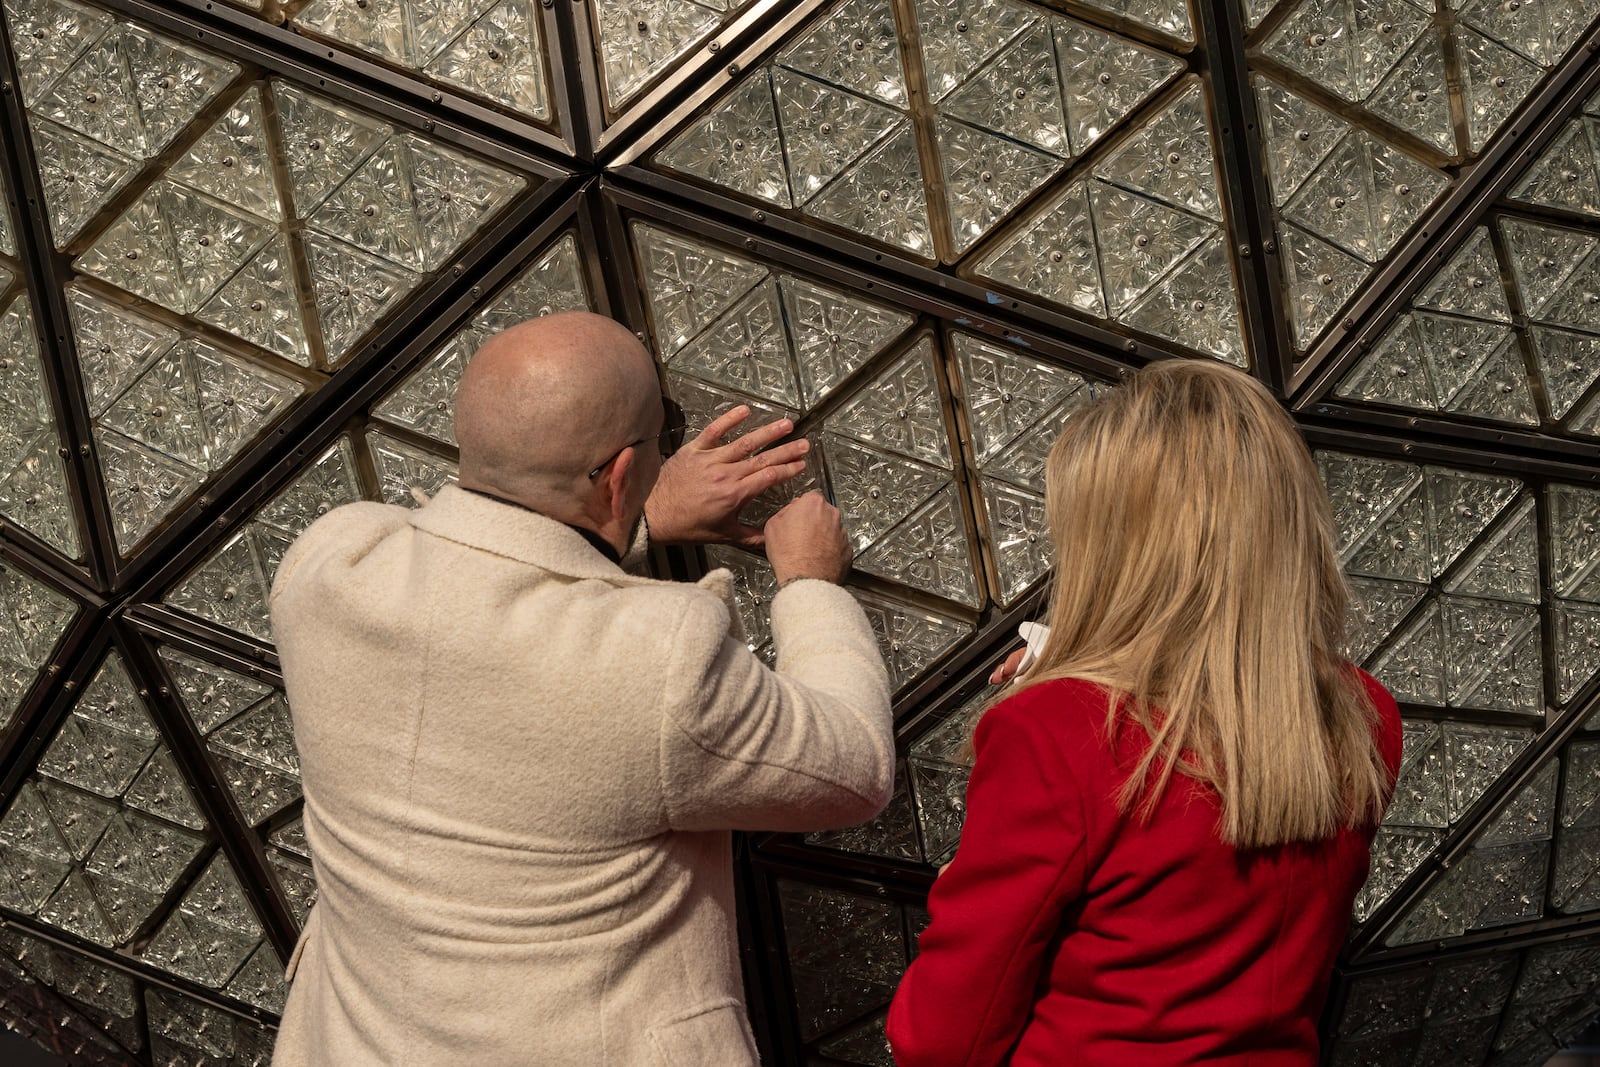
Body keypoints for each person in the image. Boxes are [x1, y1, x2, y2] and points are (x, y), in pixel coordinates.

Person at [268, 311, 895, 1066]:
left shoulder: (330, 564)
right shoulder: (656, 659)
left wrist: (633, 518)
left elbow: (482, 570)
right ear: (622, 470)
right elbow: (854, 767)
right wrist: (808, 584)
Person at [887, 359, 1403, 1066]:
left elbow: (942, 1038)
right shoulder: (1365, 715)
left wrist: (1058, 705)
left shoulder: (1048, 735)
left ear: (1114, 545)